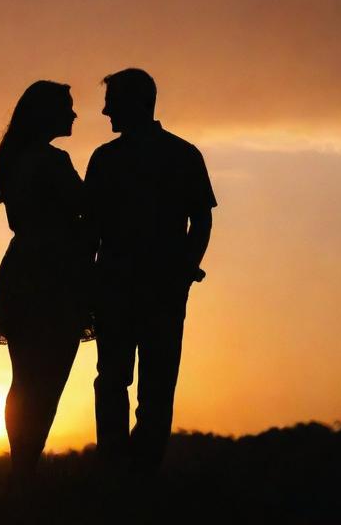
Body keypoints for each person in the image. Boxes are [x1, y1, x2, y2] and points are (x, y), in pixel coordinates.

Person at [86, 68, 216, 477]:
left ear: (136, 103)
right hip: (130, 290)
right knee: (129, 383)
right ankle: (126, 475)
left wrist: (182, 272)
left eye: (112, 102)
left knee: (134, 385)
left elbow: (202, 221)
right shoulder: (177, 154)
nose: (105, 111)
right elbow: (202, 222)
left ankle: (129, 477)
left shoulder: (169, 155)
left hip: (145, 290)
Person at [0, 80, 95, 489]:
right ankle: (25, 473)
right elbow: (88, 212)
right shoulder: (51, 161)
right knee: (47, 381)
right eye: (67, 106)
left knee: (25, 379)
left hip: (23, 271)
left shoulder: (15, 160)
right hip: (56, 277)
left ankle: (21, 469)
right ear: (47, 112)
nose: (74, 114)